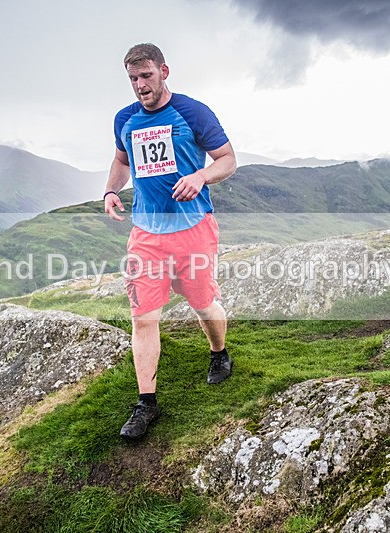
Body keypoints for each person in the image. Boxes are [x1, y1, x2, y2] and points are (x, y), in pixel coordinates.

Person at [103, 43, 237, 440]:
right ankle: (146, 402)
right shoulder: (125, 119)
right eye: (133, 79)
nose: (140, 85)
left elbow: (227, 159)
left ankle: (219, 353)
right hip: (146, 234)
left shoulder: (193, 112)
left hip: (193, 229)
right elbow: (121, 160)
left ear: (163, 71)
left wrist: (200, 177)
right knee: (143, 317)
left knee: (203, 303)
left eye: (146, 76)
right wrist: (111, 191)